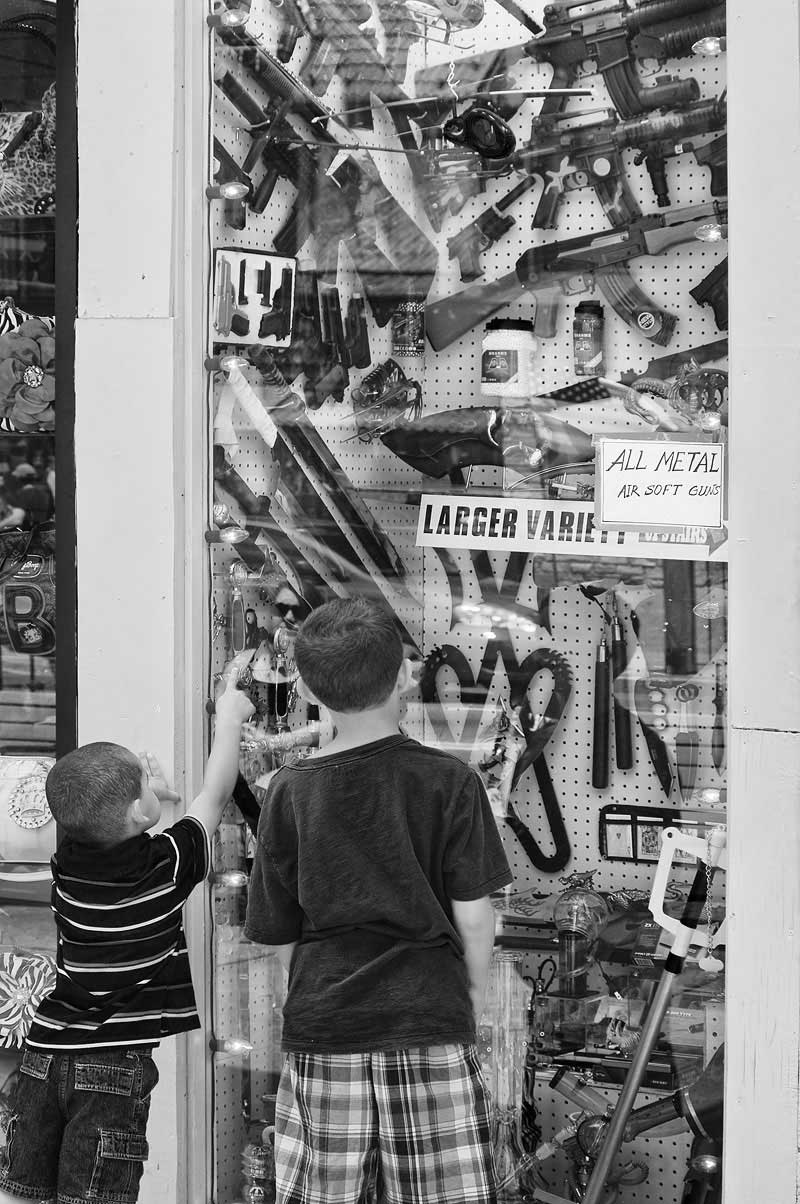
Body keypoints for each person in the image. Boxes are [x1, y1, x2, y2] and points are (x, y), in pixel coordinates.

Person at [244, 596, 513, 1204]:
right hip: (429, 1018)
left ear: (311, 691)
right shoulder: (451, 782)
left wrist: (315, 987)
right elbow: (475, 918)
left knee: (322, 1193)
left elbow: (279, 934)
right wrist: (468, 996)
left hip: (325, 1023)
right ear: (403, 677)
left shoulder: (288, 792)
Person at [0, 672, 254, 1204]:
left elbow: (114, 828)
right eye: (143, 781)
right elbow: (214, 794)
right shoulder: (163, 868)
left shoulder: (66, 867)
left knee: (23, 1191)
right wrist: (228, 718)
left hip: (42, 1054)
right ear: (139, 814)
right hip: (111, 1067)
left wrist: (147, 801)